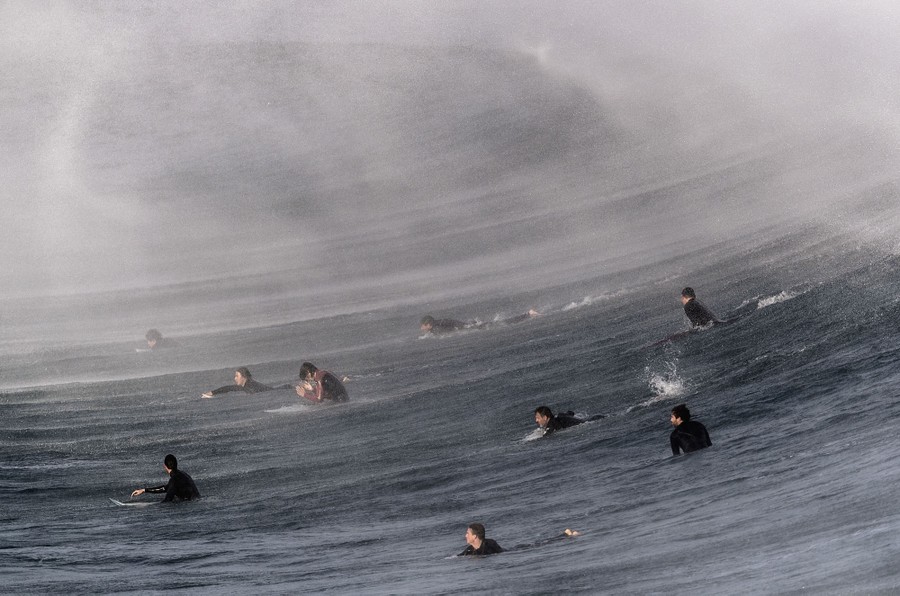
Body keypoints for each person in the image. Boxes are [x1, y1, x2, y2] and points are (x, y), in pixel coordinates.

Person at [130, 454, 200, 502]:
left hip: (190, 503)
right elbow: (166, 488)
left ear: (165, 466)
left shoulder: (174, 480)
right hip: (197, 499)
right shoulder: (184, 474)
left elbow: (168, 499)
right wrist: (144, 490)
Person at [420, 309, 541, 335]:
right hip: (469, 325)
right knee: (499, 323)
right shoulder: (438, 324)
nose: (422, 328)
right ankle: (527, 314)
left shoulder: (436, 329)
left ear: (429, 324)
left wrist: (465, 327)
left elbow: (450, 331)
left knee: (502, 323)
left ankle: (528, 314)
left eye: (423, 325)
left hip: (470, 327)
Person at [202, 367, 272, 398]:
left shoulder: (249, 385)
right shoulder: (250, 383)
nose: (235, 378)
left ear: (244, 376)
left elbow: (229, 388)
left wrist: (212, 393)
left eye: (237, 376)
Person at [534, 406, 605, 436]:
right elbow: (571, 413)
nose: (536, 420)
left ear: (545, 417)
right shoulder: (559, 415)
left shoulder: (551, 424)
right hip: (592, 418)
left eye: (538, 418)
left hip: (588, 423)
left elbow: (547, 436)